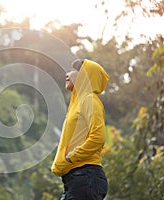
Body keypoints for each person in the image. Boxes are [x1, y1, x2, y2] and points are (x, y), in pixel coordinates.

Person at [51, 58, 109, 200]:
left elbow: (98, 138)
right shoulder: (77, 103)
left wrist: (71, 157)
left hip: (85, 176)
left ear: (85, 75)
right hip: (75, 179)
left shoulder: (89, 100)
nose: (68, 74)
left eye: (74, 70)